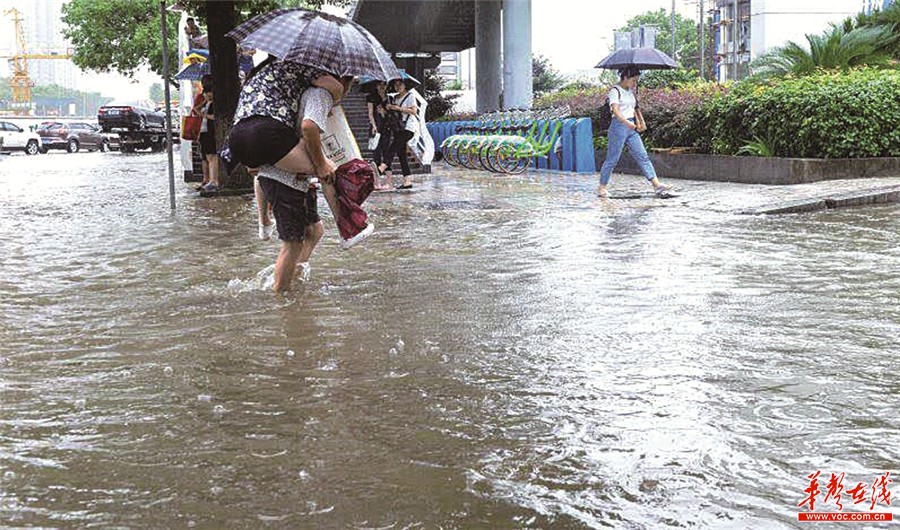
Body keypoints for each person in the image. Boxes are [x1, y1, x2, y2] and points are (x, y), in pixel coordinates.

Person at [225, 56, 344, 240]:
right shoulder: (298, 65)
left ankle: (263, 221)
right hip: (269, 134)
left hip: (238, 136)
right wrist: (333, 101)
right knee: (328, 170)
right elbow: (334, 87)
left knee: (263, 169)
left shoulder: (260, 73)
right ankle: (347, 228)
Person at [253, 84, 341, 292]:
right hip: (285, 178)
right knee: (293, 243)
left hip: (290, 176)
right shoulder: (320, 93)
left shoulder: (290, 93)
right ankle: (282, 296)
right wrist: (320, 165)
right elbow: (309, 128)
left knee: (314, 230)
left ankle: (290, 277)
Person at [597, 66, 672, 199]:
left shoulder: (630, 91)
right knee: (612, 159)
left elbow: (635, 108)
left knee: (642, 155)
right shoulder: (615, 91)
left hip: (631, 127)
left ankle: (656, 185)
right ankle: (602, 187)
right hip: (619, 126)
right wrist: (626, 122)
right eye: (633, 80)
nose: (634, 83)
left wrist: (640, 122)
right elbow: (615, 110)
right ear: (625, 77)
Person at [383, 78, 418, 189]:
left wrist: (398, 108)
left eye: (400, 84)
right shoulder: (393, 98)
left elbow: (414, 111)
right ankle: (407, 181)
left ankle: (382, 166)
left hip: (408, 127)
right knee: (401, 154)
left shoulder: (410, 96)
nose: (398, 86)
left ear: (405, 85)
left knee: (393, 146)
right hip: (397, 128)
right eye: (396, 84)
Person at [366, 81, 393, 190]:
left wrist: (385, 112)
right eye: (380, 84)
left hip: (387, 128)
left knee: (387, 154)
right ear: (376, 85)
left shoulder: (390, 98)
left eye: (384, 84)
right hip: (376, 128)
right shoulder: (371, 97)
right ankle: (376, 182)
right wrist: (373, 125)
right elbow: (370, 113)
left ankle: (388, 182)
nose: (382, 86)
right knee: (376, 154)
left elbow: (392, 113)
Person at [193, 85, 219, 192]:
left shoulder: (214, 104)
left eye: (208, 92)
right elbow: (195, 109)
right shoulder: (206, 103)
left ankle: (214, 181)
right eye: (205, 93)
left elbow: (215, 117)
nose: (206, 95)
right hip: (204, 132)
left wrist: (205, 115)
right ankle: (209, 180)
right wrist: (203, 103)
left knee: (212, 157)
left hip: (210, 132)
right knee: (207, 157)